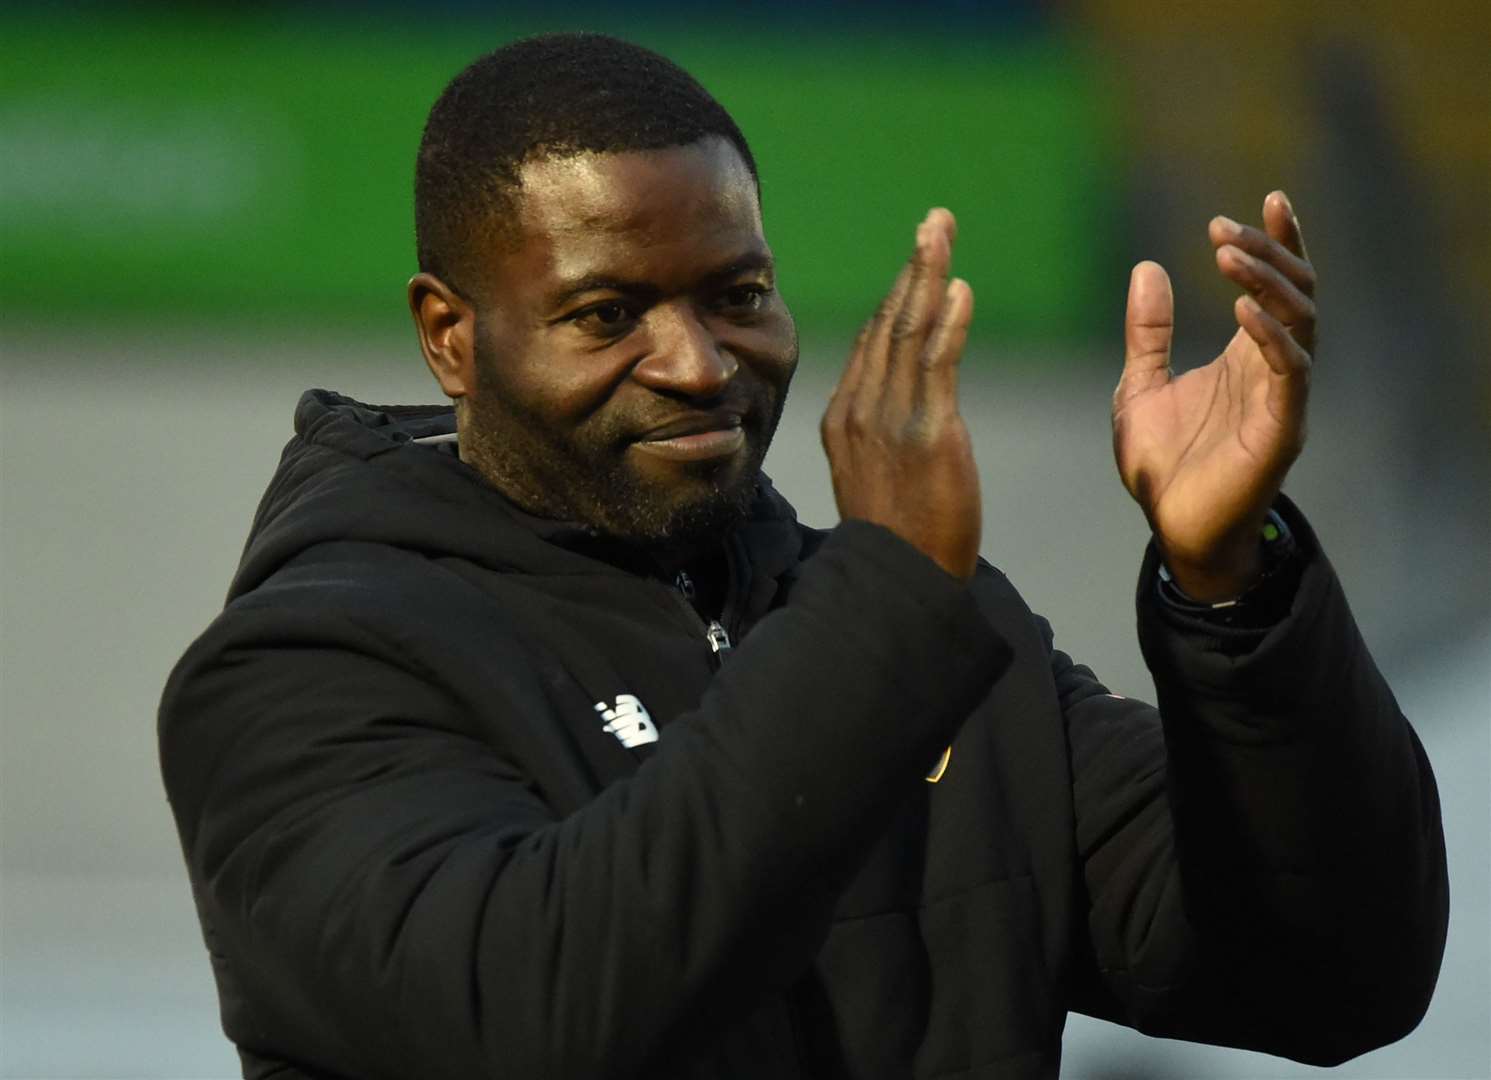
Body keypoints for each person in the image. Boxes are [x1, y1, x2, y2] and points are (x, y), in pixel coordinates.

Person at [158, 32, 1448, 1080]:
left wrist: (1233, 588)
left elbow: (1336, 976)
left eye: (739, 295)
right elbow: (536, 1016)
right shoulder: (300, 674)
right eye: (607, 314)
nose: (701, 365)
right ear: (451, 336)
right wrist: (882, 604)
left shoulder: (945, 645)